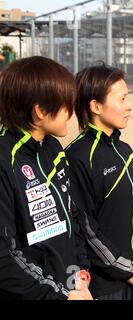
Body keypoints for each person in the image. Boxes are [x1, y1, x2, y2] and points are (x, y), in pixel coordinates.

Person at [0, 56, 92, 300]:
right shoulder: (5, 159)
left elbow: (71, 216)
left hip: (69, 286)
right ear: (40, 111)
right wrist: (61, 296)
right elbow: (5, 256)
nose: (71, 113)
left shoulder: (52, 148)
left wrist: (79, 273)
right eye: (66, 105)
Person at [65, 64, 133, 300]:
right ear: (95, 106)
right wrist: (126, 269)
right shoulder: (77, 157)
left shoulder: (124, 150)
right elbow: (86, 230)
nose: (129, 106)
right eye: (122, 98)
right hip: (103, 286)